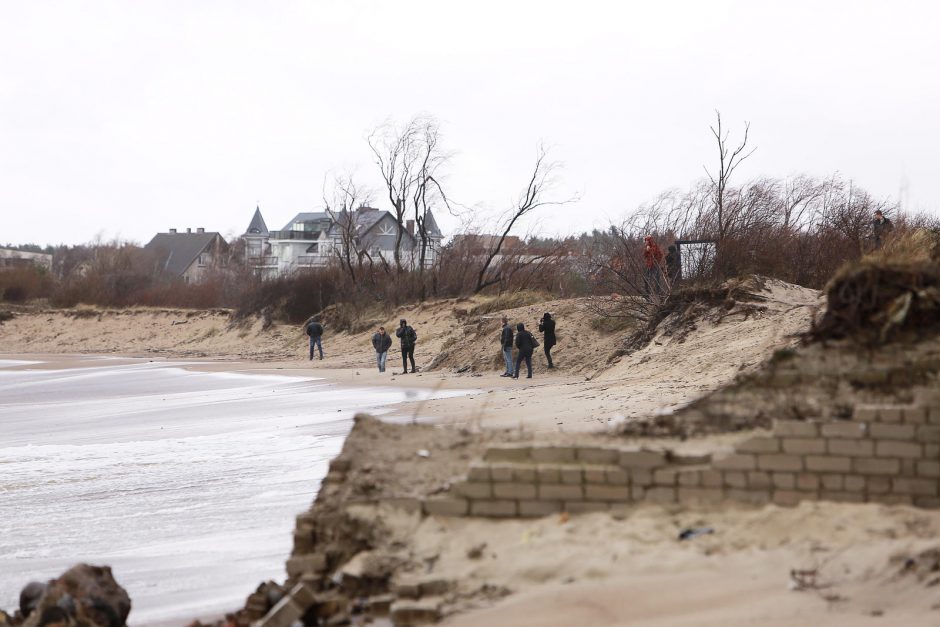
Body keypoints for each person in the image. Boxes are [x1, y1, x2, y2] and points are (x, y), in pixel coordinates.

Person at [643, 235, 665, 300]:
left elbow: (660, 255)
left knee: (656, 280)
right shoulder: (647, 247)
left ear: (649, 241)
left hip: (654, 265)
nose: (645, 242)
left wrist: (656, 261)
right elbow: (645, 256)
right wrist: (646, 251)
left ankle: (658, 294)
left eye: (646, 240)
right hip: (649, 265)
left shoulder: (655, 247)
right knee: (647, 279)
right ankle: (648, 294)